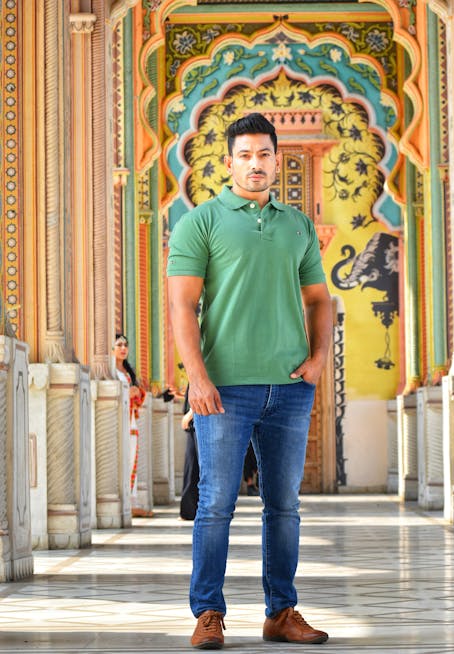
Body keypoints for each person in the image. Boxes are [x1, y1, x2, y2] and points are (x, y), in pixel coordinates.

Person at [167, 112, 332, 649]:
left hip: (289, 388)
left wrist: (318, 359)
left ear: (276, 159)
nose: (255, 164)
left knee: (284, 504)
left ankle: (281, 611)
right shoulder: (201, 222)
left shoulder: (298, 225)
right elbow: (182, 305)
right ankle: (208, 613)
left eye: (264, 154)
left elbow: (317, 300)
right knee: (216, 503)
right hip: (224, 389)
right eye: (245, 155)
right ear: (229, 162)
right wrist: (197, 377)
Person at [112, 333, 151, 518]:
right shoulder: (110, 372)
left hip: (131, 422)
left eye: (125, 345)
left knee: (131, 458)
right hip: (116, 423)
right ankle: (122, 500)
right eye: (119, 344)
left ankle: (131, 500)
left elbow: (139, 395)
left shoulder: (128, 373)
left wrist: (136, 392)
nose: (123, 348)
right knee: (119, 460)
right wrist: (128, 394)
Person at [179, 386, 200, 520]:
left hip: (198, 416)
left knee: (195, 466)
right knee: (192, 465)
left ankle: (191, 510)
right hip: (195, 420)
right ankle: (189, 510)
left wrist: (190, 413)